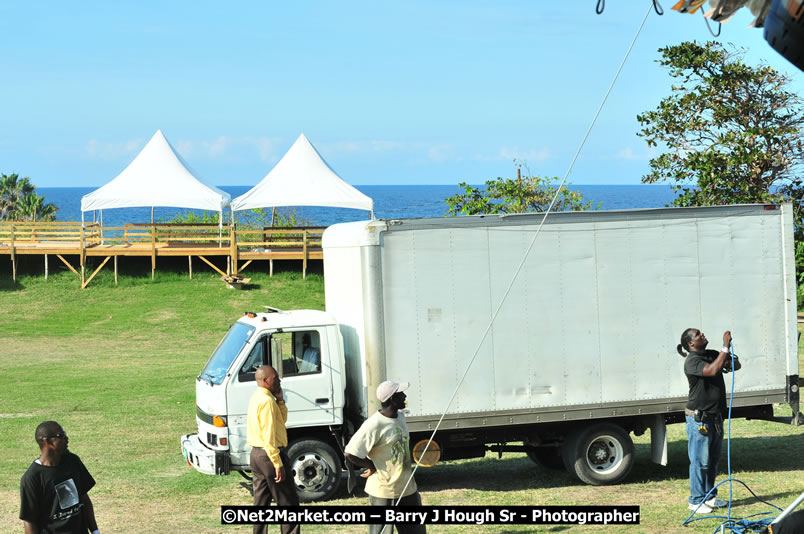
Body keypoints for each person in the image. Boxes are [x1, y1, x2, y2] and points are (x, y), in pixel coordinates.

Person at [345, 380, 426, 534]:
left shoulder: (400, 416)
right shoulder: (374, 424)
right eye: (400, 394)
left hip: (408, 489)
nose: (405, 396)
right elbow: (350, 452)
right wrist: (372, 466)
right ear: (392, 400)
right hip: (383, 492)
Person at [677, 328, 742, 514]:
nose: (703, 334)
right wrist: (725, 347)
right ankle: (696, 500)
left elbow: (735, 365)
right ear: (691, 344)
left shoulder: (712, 354)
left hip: (715, 417)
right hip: (699, 419)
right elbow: (712, 370)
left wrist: (729, 357)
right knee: (700, 462)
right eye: (698, 335)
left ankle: (709, 497)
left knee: (713, 461)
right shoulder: (692, 362)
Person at [246, 365, 300, 534]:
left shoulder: (258, 397)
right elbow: (269, 436)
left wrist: (281, 401)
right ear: (265, 380)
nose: (279, 381)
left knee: (261, 504)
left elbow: (280, 421)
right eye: (275, 378)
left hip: (256, 455)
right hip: (269, 456)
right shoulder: (267, 402)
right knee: (288, 504)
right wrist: (278, 463)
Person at [19, 421, 100, 534]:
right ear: (47, 441)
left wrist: (95, 531)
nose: (66, 438)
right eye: (61, 436)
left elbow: (84, 498)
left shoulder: (72, 461)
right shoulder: (32, 478)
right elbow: (29, 520)